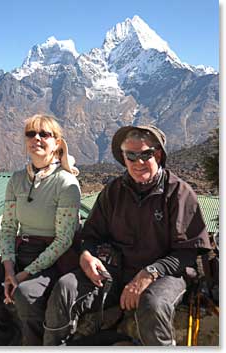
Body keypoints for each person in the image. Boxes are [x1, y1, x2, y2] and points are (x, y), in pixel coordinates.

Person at [43, 124, 211, 346]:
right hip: (115, 270)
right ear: (123, 157)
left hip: (166, 274)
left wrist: (149, 273)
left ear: (158, 154)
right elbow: (91, 235)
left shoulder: (179, 193)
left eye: (146, 154)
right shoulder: (113, 191)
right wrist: (86, 255)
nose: (138, 162)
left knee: (153, 304)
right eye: (131, 156)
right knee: (66, 287)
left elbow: (188, 253)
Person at [0, 114, 81, 346]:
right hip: (23, 249)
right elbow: (9, 227)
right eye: (31, 134)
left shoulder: (66, 183)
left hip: (53, 258)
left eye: (44, 134)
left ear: (57, 143)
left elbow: (63, 240)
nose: (36, 138)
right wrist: (9, 268)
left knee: (26, 294)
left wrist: (23, 275)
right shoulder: (17, 179)